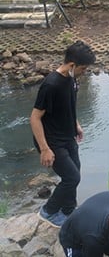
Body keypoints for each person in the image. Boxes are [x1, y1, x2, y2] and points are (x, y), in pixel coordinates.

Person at [30, 40, 96, 227]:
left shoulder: (72, 80)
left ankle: (67, 211)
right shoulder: (51, 84)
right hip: (52, 141)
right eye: (83, 69)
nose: (85, 72)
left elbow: (67, 106)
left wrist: (76, 124)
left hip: (67, 136)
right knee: (72, 177)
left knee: (75, 172)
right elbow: (34, 118)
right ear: (72, 65)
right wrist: (44, 149)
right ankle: (48, 212)